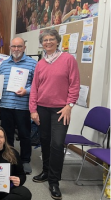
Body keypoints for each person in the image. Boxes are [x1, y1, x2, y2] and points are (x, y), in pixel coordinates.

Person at [30, 29, 80, 200]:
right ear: (42, 43)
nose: (48, 42)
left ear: (57, 42)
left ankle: (54, 181)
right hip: (42, 109)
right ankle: (45, 171)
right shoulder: (40, 64)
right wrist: (33, 110)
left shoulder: (68, 59)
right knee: (44, 141)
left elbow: (75, 85)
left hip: (61, 110)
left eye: (51, 39)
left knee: (57, 145)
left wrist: (69, 105)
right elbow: (34, 89)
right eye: (45, 40)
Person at [0, 37, 37, 175]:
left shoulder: (33, 64)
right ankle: (9, 158)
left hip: (23, 106)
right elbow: (0, 84)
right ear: (10, 47)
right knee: (7, 134)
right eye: (13, 46)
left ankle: (25, 160)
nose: (16, 49)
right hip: (6, 105)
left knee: (24, 135)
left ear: (24, 48)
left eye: (19, 46)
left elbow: (37, 85)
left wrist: (26, 90)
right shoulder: (3, 65)